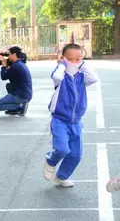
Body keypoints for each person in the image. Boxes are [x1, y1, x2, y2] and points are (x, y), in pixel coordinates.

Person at [43, 44, 99, 187]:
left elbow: (93, 78)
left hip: (76, 121)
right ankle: (51, 161)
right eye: (70, 59)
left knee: (75, 155)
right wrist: (63, 64)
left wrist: (83, 64)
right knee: (62, 149)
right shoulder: (61, 77)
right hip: (60, 120)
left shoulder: (81, 77)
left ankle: (61, 176)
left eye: (77, 59)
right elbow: (56, 76)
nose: (74, 63)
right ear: (63, 58)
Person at [0, 46, 32, 116]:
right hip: (26, 94)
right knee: (8, 85)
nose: (8, 57)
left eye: (9, 54)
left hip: (21, 95)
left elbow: (3, 77)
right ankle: (16, 109)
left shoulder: (15, 66)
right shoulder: (20, 63)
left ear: (14, 55)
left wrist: (3, 66)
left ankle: (20, 106)